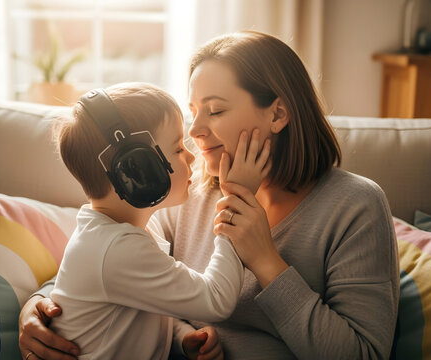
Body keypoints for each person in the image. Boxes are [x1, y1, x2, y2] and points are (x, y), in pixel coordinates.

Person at [19, 31, 399, 359]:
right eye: (193, 111)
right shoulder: (185, 193)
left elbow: (362, 354)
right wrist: (38, 309)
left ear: (278, 114)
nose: (195, 131)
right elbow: (106, 264)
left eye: (215, 111)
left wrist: (267, 262)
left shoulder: (355, 206)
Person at [21, 82, 271, 360]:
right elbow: (215, 300)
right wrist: (237, 203)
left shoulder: (130, 229)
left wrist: (181, 335)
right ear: (137, 169)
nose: (191, 156)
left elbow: (140, 307)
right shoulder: (118, 248)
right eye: (177, 149)